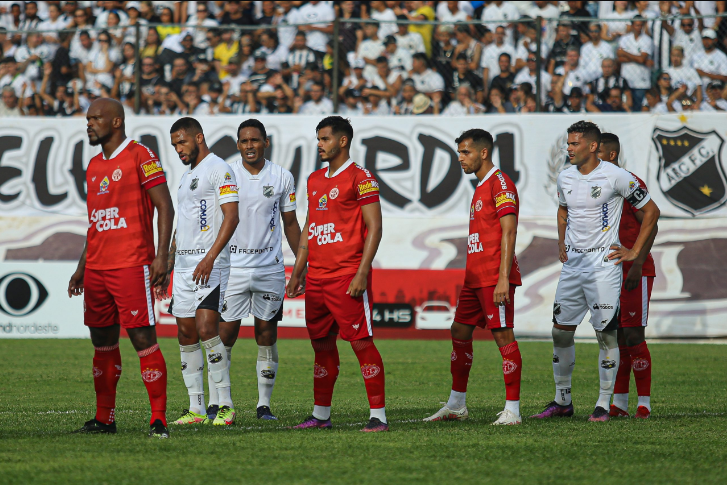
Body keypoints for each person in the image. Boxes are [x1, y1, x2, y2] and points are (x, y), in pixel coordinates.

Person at [531, 121, 659, 423]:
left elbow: (651, 212)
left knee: (606, 336)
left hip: (603, 269)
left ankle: (603, 404)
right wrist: (562, 241)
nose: (569, 149)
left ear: (592, 146)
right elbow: (563, 210)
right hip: (573, 267)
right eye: (568, 143)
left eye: (574, 144)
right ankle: (563, 400)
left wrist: (634, 254)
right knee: (559, 333)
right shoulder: (565, 176)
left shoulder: (617, 176)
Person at [68, 98, 174, 438]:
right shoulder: (94, 165)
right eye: (88, 118)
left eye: (96, 118)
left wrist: (160, 257)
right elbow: (95, 223)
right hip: (97, 266)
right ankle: (104, 419)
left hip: (130, 263)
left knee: (142, 337)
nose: (89, 124)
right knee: (102, 341)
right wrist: (82, 266)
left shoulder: (141, 155)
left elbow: (165, 206)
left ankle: (158, 418)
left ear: (116, 122)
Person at [286, 116, 388, 432]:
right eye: (318, 139)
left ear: (342, 141)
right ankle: (320, 415)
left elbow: (375, 227)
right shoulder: (315, 179)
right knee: (321, 345)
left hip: (346, 276)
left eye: (325, 139)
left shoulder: (361, 177)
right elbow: (309, 228)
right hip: (316, 278)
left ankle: (379, 417)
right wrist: (297, 271)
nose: (319, 145)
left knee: (361, 343)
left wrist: (362, 271)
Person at [423, 128, 523, 425]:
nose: (460, 158)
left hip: (494, 276)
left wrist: (503, 277)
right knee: (459, 331)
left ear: (483, 152)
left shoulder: (500, 183)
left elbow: (510, 230)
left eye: (465, 152)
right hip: (474, 277)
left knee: (503, 337)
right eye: (459, 153)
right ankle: (456, 405)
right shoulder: (480, 186)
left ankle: (513, 410)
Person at [208, 119, 302, 421]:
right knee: (225, 335)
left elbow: (290, 223)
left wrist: (301, 264)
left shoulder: (282, 177)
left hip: (270, 270)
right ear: (238, 145)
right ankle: (220, 401)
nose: (250, 146)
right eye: (244, 141)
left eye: (255, 140)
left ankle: (264, 405)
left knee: (266, 333)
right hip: (232, 269)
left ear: (265, 142)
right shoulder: (226, 175)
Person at [166, 117, 240, 426]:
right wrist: (167, 260)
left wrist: (210, 257)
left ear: (199, 137)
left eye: (182, 142)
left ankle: (225, 404)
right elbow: (181, 224)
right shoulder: (186, 176)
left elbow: (231, 217)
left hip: (208, 263)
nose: (179, 149)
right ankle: (196, 409)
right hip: (182, 266)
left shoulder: (219, 168)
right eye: (174, 146)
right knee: (185, 333)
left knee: (208, 328)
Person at [597, 133, 657, 420]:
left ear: (610, 156)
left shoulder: (629, 183)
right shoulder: (599, 187)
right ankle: (619, 403)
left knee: (633, 335)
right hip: (609, 272)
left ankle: (643, 403)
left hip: (635, 271)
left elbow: (652, 222)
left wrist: (635, 263)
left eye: (598, 155)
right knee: (617, 338)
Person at [616, 16, 653, 110]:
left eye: (641, 25)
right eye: (636, 25)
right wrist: (639, 58)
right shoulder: (624, 39)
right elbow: (620, 58)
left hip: (641, 81)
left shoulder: (647, 40)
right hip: (626, 79)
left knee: (639, 109)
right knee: (626, 108)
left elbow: (641, 59)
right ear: (632, 25)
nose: (639, 27)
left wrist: (625, 53)